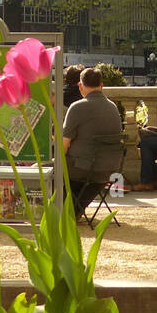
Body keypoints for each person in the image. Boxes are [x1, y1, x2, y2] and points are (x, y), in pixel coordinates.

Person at [61, 67, 124, 218]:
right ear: (101, 85)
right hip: (109, 168)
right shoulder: (113, 107)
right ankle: (72, 210)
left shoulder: (77, 107)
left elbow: (63, 145)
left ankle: (59, 212)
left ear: (80, 86)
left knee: (43, 169)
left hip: (82, 169)